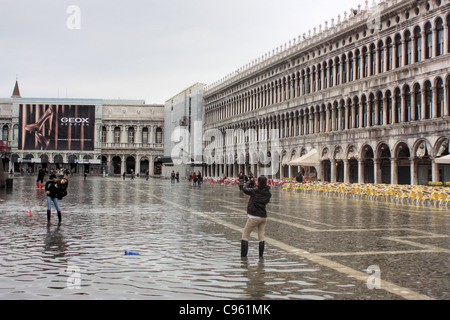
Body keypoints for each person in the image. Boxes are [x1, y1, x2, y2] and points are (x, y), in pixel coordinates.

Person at [241, 176, 272, 258]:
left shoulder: (255, 190)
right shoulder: (268, 193)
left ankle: (243, 259)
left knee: (245, 236)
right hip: (263, 217)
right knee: (261, 237)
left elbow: (244, 189)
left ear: (258, 182)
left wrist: (249, 182)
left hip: (254, 216)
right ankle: (261, 257)